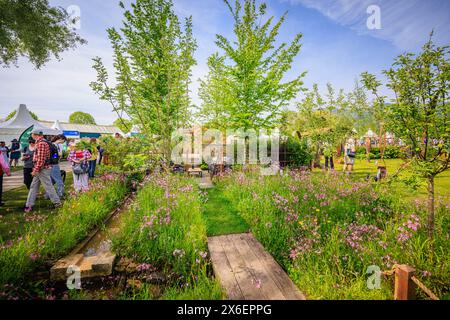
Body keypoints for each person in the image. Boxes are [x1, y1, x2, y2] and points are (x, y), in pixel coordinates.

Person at [24, 129, 61, 212]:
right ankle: (29, 205)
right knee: (33, 186)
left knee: (48, 186)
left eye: (32, 134)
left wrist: (35, 170)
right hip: (41, 168)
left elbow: (41, 160)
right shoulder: (41, 142)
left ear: (35, 134)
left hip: (42, 169)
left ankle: (57, 203)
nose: (31, 136)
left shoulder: (41, 144)